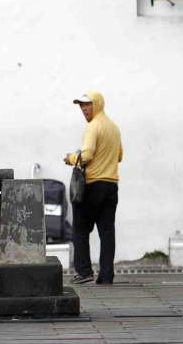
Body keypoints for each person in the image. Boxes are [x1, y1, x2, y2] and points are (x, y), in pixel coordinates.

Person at [64, 91, 123, 285]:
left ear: (97, 104)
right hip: (111, 185)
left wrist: (71, 158)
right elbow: (120, 156)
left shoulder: (93, 127)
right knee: (107, 232)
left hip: (92, 185)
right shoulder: (114, 128)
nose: (84, 109)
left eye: (87, 105)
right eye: (81, 106)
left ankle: (84, 272)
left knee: (80, 229)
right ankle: (106, 276)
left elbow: (87, 155)